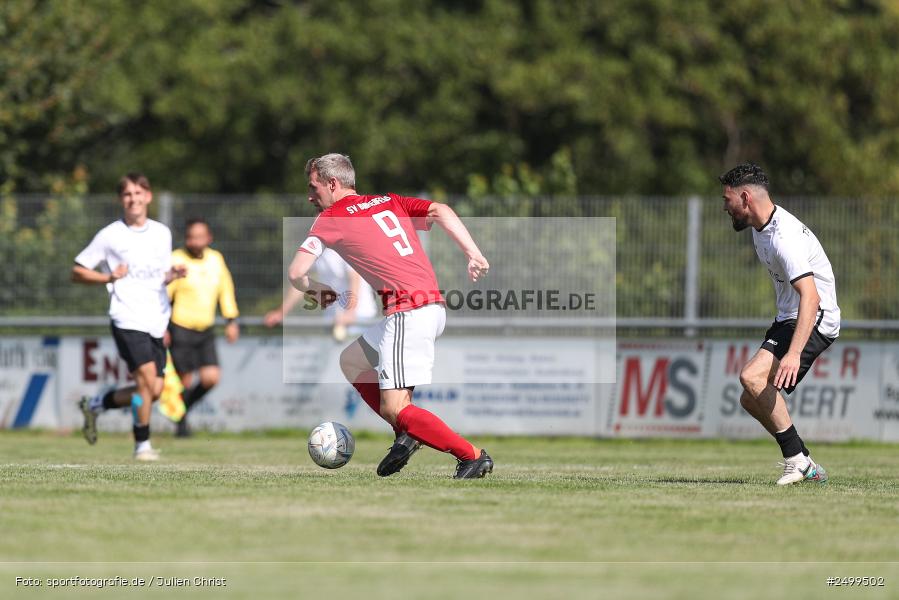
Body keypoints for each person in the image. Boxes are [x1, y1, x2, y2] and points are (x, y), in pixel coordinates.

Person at [288, 153, 493, 479]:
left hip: (408, 312)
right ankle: (406, 432)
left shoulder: (331, 217)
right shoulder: (388, 202)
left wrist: (315, 289)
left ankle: (471, 456)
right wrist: (474, 253)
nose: (310, 196)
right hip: (430, 307)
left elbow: (296, 272)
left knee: (395, 407)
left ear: (332, 183)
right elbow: (439, 210)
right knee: (352, 361)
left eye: (313, 187)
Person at [720, 162, 840, 485]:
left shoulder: (782, 237)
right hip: (790, 316)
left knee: (751, 376)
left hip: (815, 316)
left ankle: (795, 460)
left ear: (745, 198)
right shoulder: (762, 231)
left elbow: (811, 298)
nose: (725, 208)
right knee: (751, 396)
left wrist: (793, 353)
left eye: (727, 200)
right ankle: (804, 460)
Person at [73, 173, 186, 461]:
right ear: (121, 199)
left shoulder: (161, 232)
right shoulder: (111, 234)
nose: (133, 199)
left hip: (157, 319)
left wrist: (172, 275)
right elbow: (78, 270)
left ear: (148, 196)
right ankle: (142, 446)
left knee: (155, 390)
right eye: (127, 194)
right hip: (126, 317)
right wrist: (107, 277)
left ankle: (97, 403)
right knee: (147, 381)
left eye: (138, 193)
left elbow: (158, 277)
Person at [166, 218, 240, 437]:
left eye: (199, 236)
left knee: (211, 377)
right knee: (185, 380)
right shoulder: (176, 260)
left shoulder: (216, 260)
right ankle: (181, 426)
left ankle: (180, 410)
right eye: (191, 237)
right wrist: (164, 328)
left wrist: (231, 320)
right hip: (180, 327)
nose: (195, 241)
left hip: (205, 329)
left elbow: (225, 290)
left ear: (209, 238)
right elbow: (165, 295)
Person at [264, 248, 379, 341]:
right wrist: (281, 312)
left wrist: (350, 312)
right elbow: (300, 280)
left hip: (360, 318)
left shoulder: (346, 245)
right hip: (332, 320)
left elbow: (355, 279)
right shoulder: (315, 249)